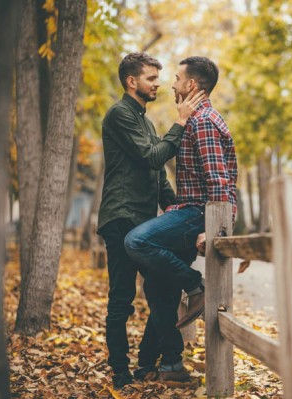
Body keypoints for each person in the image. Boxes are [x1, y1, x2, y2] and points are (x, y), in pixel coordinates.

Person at [124, 56, 238, 384]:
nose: (172, 84)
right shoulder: (195, 119)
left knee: (137, 241)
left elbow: (218, 181)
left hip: (198, 214)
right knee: (159, 288)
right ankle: (166, 367)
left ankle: (195, 285)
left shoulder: (203, 121)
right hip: (188, 211)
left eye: (176, 78)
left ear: (191, 85)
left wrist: (212, 230)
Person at [97, 52, 205, 390]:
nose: (157, 84)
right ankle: (120, 372)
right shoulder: (119, 115)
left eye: (159, 78)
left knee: (162, 291)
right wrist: (181, 122)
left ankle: (150, 364)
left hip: (142, 223)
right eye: (151, 78)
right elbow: (153, 155)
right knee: (122, 298)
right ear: (132, 82)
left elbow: (157, 176)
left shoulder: (144, 122)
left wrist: (180, 213)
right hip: (120, 217)